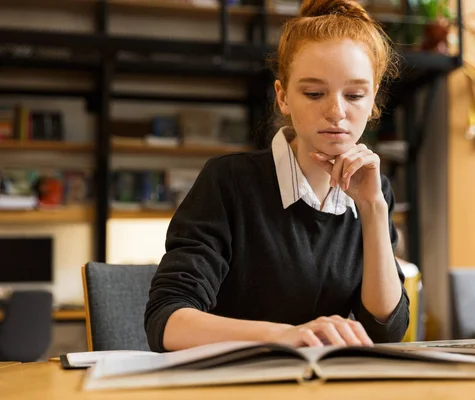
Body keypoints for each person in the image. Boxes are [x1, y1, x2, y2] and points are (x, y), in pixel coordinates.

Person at [144, 0, 410, 352]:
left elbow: (385, 332)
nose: (336, 112)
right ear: (283, 97)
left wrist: (373, 208)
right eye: (314, 93)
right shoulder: (228, 182)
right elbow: (166, 322)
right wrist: (284, 336)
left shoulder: (374, 191)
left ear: (373, 99)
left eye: (355, 95)